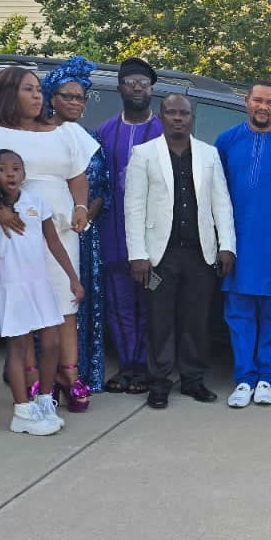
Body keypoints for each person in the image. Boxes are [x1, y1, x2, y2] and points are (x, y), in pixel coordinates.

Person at [0, 67, 100, 414]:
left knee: (64, 304)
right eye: (28, 89)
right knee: (23, 308)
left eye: (39, 89)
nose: (38, 95)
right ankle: (34, 378)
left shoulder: (64, 132)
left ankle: (70, 375)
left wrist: (81, 207)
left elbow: (78, 176)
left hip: (60, 229)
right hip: (14, 233)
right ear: (8, 93)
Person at [124, 94, 237, 409]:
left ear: (191, 118)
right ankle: (159, 382)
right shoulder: (144, 154)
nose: (177, 118)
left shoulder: (208, 154)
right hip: (159, 254)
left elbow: (221, 203)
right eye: (171, 113)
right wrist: (137, 254)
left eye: (183, 113)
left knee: (196, 320)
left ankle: (192, 379)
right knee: (160, 320)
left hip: (200, 252)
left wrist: (227, 245)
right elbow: (133, 206)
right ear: (160, 117)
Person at [0, 149, 83, 435]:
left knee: (52, 344)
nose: (10, 173)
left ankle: (44, 400)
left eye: (16, 168)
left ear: (24, 173)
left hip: (40, 285)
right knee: (18, 349)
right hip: (12, 289)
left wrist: (73, 278)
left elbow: (54, 242)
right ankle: (22, 410)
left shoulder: (36, 203)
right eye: (2, 169)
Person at [216, 81, 271, 408]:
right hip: (237, 243)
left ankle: (266, 378)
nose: (263, 107)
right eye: (258, 101)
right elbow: (217, 195)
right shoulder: (226, 141)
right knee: (239, 315)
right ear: (246, 102)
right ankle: (244, 378)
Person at [94, 58, 164, 394]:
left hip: (154, 236)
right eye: (131, 82)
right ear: (120, 87)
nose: (137, 88)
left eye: (143, 83)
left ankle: (149, 367)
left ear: (152, 90)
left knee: (151, 305)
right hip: (114, 234)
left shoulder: (165, 131)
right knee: (119, 305)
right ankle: (127, 366)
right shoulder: (105, 132)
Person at [43, 56, 109, 393]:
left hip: (84, 234)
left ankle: (78, 375)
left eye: (80, 97)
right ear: (51, 97)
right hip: (47, 233)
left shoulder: (88, 139)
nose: (74, 102)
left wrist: (87, 215)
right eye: (67, 96)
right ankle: (44, 376)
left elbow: (102, 188)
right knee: (49, 304)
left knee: (78, 305)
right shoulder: (37, 135)